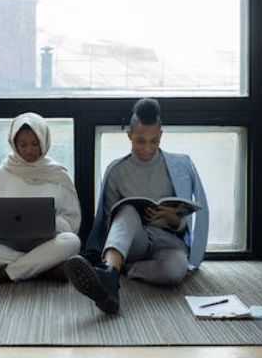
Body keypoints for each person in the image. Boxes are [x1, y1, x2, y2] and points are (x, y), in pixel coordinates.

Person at [64, 98, 208, 314]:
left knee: (175, 271)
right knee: (126, 211)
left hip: (167, 242)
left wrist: (169, 216)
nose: (148, 148)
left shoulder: (179, 167)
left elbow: (183, 225)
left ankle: (116, 272)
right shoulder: (117, 171)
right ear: (129, 135)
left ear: (161, 135)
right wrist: (133, 216)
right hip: (134, 242)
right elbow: (110, 223)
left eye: (154, 141)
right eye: (141, 141)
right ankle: (110, 275)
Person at [0, 112, 81, 283]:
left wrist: (52, 223)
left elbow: (72, 220)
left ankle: (2, 273)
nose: (29, 150)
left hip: (45, 244)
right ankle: (43, 269)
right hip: (5, 245)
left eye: (35, 144)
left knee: (72, 242)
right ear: (13, 144)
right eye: (23, 144)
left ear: (44, 142)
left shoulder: (58, 175)